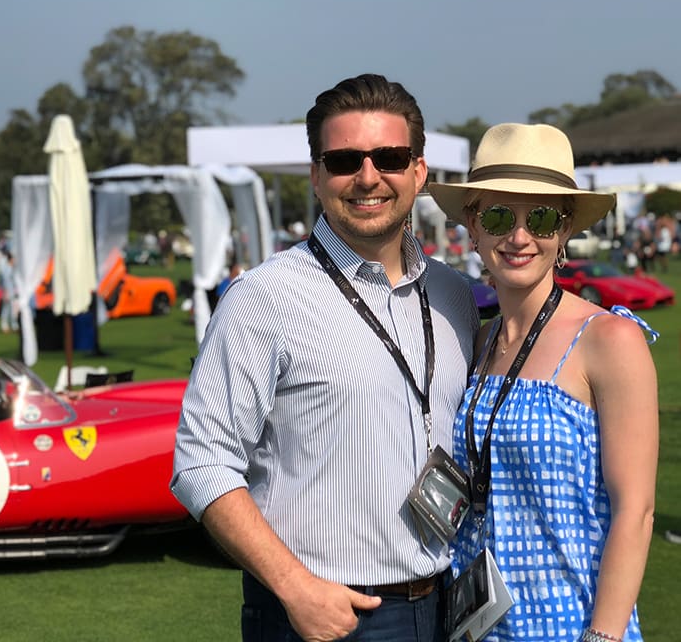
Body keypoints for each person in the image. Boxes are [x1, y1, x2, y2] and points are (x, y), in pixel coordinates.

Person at [172, 73, 478, 642]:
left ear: (418, 171)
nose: (368, 177)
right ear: (316, 176)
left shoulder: (454, 294)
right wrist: (294, 586)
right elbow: (200, 463)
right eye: (343, 161)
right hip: (321, 614)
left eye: (388, 156)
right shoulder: (264, 297)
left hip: (443, 603)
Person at [429, 123, 658, 642]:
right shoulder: (478, 341)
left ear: (566, 227)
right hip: (476, 628)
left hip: (572, 626)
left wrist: (601, 637)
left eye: (542, 217)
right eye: (498, 215)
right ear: (473, 224)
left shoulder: (609, 339)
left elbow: (636, 511)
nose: (519, 236)